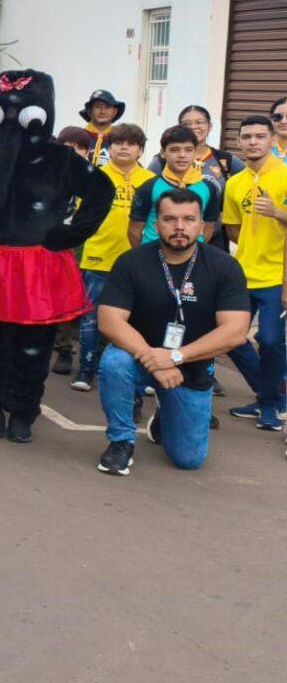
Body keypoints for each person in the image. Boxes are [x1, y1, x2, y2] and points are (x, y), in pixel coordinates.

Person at [0, 70, 115, 445]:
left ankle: (23, 412)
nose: (11, 122)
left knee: (34, 343)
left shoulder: (60, 159)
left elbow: (101, 192)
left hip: (40, 265)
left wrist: (72, 232)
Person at [94, 188, 250, 475]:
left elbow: (236, 331)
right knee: (114, 362)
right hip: (140, 357)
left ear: (202, 225)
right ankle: (121, 442)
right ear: (157, 224)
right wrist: (154, 358)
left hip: (189, 366)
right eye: (170, 219)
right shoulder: (131, 262)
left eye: (189, 219)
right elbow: (109, 320)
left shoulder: (225, 267)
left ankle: (164, 415)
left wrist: (176, 356)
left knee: (188, 459)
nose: (180, 227)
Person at [72, 123, 153, 392]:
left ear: (141, 150)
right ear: (109, 147)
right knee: (92, 317)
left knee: (139, 319)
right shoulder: (95, 176)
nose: (124, 148)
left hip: (139, 261)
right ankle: (87, 368)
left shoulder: (151, 181)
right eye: (118, 143)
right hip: (99, 256)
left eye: (131, 144)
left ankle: (141, 372)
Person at [221, 114, 287, 430]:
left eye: (260, 136)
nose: (253, 142)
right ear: (238, 142)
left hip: (278, 276)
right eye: (246, 137)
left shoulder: (285, 175)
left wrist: (278, 213)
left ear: (272, 140)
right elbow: (232, 228)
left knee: (271, 340)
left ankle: (270, 401)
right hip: (244, 273)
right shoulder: (234, 183)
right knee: (231, 338)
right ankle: (269, 396)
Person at [49, 126, 96, 375]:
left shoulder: (95, 178)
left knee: (92, 299)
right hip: (59, 244)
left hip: (94, 245)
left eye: (78, 148)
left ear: (87, 152)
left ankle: (95, 354)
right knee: (62, 296)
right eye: (67, 147)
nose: (73, 152)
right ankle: (63, 349)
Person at [129, 125, 223, 246]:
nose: (182, 155)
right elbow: (133, 231)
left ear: (195, 152)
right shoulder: (149, 187)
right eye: (174, 150)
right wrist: (145, 256)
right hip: (153, 257)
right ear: (163, 153)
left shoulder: (208, 188)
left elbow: (208, 227)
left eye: (188, 150)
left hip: (192, 257)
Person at [80, 89, 125, 165]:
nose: (103, 112)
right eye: (98, 107)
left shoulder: (122, 138)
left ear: (114, 112)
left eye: (107, 107)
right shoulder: (78, 137)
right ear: (89, 111)